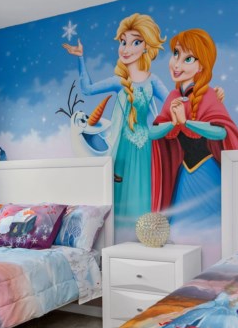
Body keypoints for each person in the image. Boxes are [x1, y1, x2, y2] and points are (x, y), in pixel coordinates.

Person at [63, 14, 169, 227]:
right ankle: (115, 242)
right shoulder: (119, 81)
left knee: (142, 193)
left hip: (144, 147)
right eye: (123, 42)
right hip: (120, 147)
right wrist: (80, 58)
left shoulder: (153, 81)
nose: (126, 49)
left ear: (146, 47)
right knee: (117, 195)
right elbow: (87, 89)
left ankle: (144, 237)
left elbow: (172, 104)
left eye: (135, 42)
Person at [149, 29, 238, 229]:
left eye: (187, 59)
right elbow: (152, 133)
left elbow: (221, 131)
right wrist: (174, 123)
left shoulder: (208, 94)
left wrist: (186, 122)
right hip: (185, 174)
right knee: (180, 229)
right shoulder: (173, 97)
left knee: (215, 226)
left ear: (201, 65)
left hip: (207, 172)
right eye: (176, 54)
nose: (177, 64)